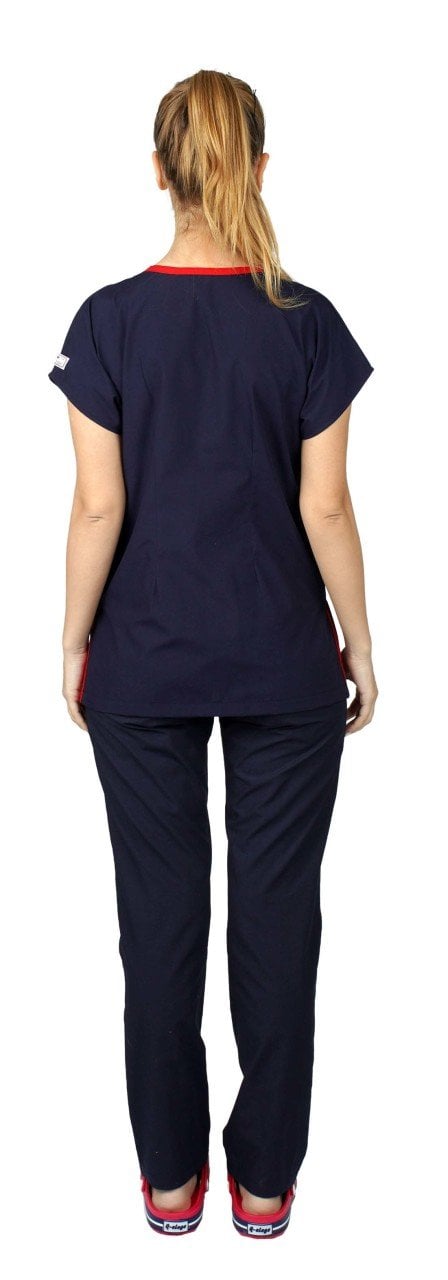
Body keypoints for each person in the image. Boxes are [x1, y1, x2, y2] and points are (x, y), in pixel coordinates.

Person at [48, 68, 378, 1239]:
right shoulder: (307, 321)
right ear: (260, 167)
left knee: (160, 924)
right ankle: (266, 1184)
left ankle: (171, 1181)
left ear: (159, 171)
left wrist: (74, 639)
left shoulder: (107, 321)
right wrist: (359, 644)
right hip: (286, 663)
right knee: (278, 925)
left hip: (142, 665)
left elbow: (99, 507)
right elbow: (323, 506)